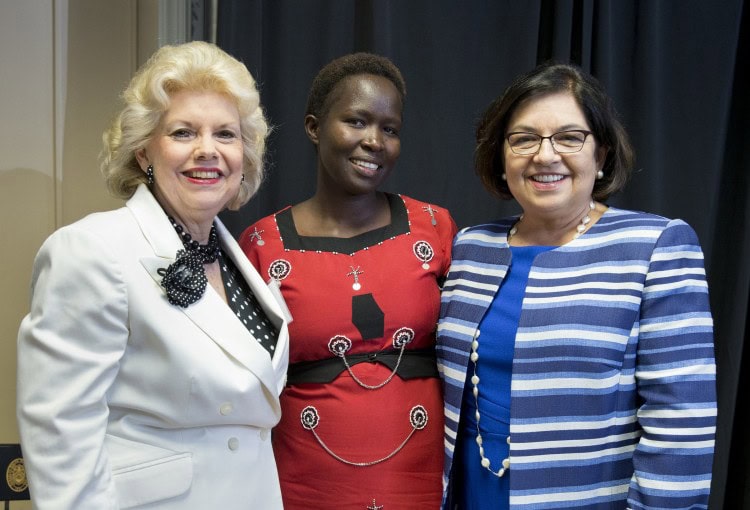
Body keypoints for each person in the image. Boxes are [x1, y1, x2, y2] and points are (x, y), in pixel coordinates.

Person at [16, 41, 289, 509]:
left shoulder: (238, 258)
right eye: (183, 133)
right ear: (144, 151)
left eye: (225, 134)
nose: (208, 151)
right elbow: (61, 438)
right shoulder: (91, 250)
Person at [437, 62, 716, 509]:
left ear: (601, 154)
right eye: (524, 138)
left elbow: (681, 424)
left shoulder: (655, 245)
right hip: (472, 495)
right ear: (501, 155)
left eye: (569, 137)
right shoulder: (472, 247)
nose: (545, 155)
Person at [240, 52, 457, 509]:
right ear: (314, 127)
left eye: (389, 128)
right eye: (356, 122)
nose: (374, 141)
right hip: (303, 482)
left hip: (420, 478)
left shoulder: (435, 228)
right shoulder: (262, 245)